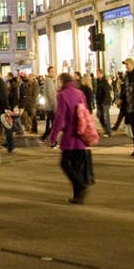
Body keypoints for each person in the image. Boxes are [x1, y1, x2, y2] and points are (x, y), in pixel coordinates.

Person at [49, 73, 91, 204]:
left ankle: (81, 185)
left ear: (62, 82)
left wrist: (53, 136)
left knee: (65, 163)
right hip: (80, 134)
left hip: (70, 135)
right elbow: (85, 112)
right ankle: (78, 196)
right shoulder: (79, 93)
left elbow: (59, 118)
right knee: (76, 166)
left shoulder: (63, 95)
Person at [39, 66, 57, 139]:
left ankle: (46, 136)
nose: (54, 73)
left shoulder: (48, 80)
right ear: (49, 72)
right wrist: (55, 106)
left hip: (48, 106)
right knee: (55, 124)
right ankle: (50, 138)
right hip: (51, 106)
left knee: (50, 122)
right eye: (52, 71)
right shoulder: (49, 81)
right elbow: (51, 95)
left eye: (54, 71)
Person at [94, 68, 112, 137]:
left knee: (105, 117)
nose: (97, 75)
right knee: (99, 116)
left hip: (105, 102)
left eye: (98, 73)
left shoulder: (104, 82)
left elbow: (107, 93)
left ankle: (108, 131)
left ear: (102, 74)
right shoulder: (98, 81)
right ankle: (106, 129)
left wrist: (105, 102)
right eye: (97, 73)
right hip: (100, 102)